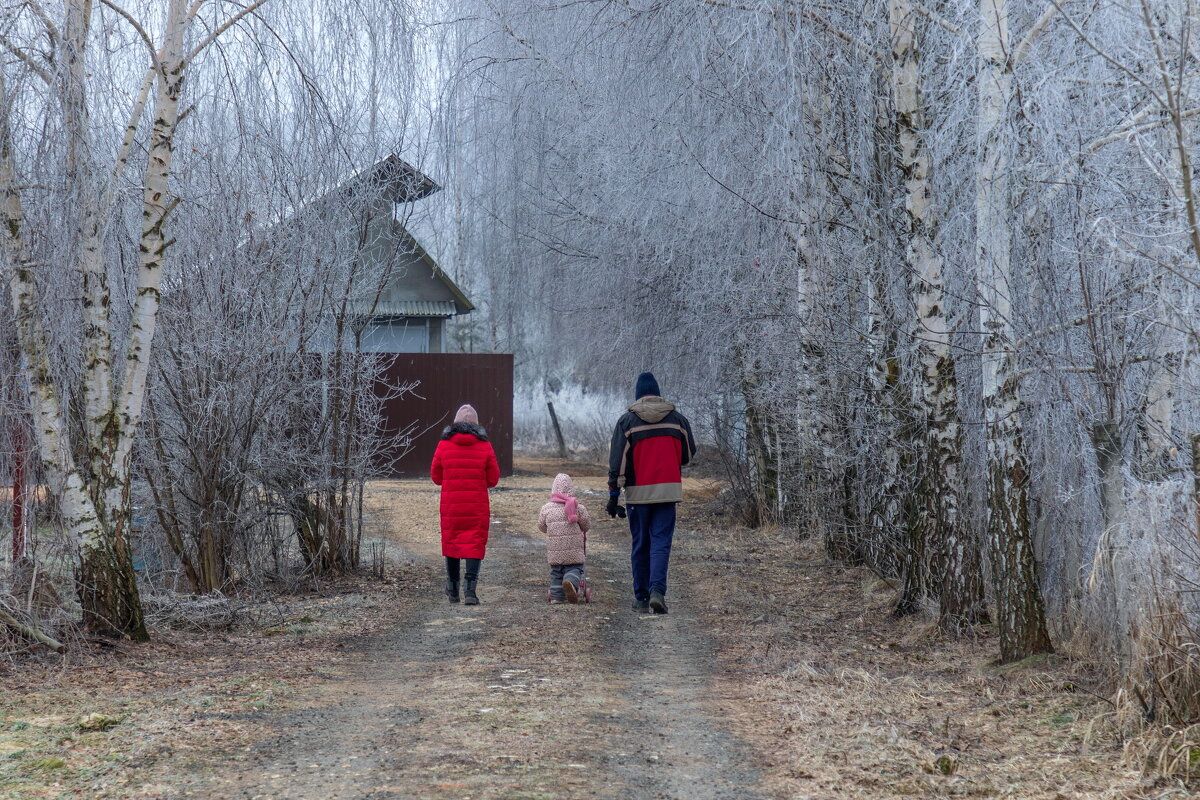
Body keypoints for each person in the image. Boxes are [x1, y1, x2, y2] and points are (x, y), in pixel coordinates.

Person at [607, 372, 696, 614]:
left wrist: (613, 495)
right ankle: (658, 590)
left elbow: (617, 462)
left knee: (640, 544)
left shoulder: (627, 422)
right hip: (667, 492)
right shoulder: (677, 420)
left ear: (638, 395)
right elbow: (688, 454)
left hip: (637, 495)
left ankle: (641, 597)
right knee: (661, 543)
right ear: (657, 392)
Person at [431, 403, 500, 605]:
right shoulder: (485, 446)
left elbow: (436, 477)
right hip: (476, 506)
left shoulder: (444, 445)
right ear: (476, 425)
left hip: (451, 506)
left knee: (452, 543)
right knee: (473, 544)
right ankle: (470, 592)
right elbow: (493, 479)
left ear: (455, 423)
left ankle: (452, 590)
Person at [538, 473, 592, 604]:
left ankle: (556, 597)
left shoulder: (546, 509)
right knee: (574, 568)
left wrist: (551, 530)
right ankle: (570, 583)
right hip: (573, 550)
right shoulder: (578, 507)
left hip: (555, 550)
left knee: (556, 572)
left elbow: (541, 526)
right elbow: (586, 526)